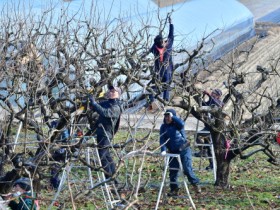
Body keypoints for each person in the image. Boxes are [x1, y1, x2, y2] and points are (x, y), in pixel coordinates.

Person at [160, 109, 201, 195]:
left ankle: (195, 183)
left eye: (169, 116)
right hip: (173, 152)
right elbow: (162, 139)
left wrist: (173, 117)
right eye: (166, 116)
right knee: (173, 171)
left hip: (184, 150)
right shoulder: (163, 127)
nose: (167, 118)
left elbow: (182, 124)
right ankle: (174, 189)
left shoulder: (177, 125)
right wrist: (163, 150)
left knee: (187, 169)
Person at [89, 85, 123, 180]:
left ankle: (108, 178)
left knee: (103, 155)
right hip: (100, 132)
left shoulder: (117, 107)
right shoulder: (107, 102)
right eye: (110, 91)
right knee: (106, 155)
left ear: (118, 95)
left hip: (106, 133)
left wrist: (94, 103)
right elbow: (96, 106)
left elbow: (104, 112)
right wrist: (91, 100)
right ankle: (113, 177)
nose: (111, 92)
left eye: (114, 91)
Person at [194, 88, 224, 170]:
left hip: (214, 128)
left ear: (218, 96)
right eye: (212, 93)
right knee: (208, 148)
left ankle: (204, 153)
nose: (212, 94)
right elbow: (203, 105)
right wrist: (200, 97)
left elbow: (218, 105)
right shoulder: (210, 102)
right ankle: (209, 160)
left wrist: (209, 94)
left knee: (199, 136)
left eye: (214, 93)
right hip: (207, 127)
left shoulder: (219, 103)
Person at [148, 16, 174, 103]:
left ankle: (165, 99)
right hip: (158, 70)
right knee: (153, 85)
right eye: (160, 43)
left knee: (166, 84)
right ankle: (151, 100)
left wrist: (171, 23)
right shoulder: (155, 48)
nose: (162, 43)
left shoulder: (168, 45)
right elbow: (152, 47)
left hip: (167, 69)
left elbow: (171, 34)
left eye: (162, 42)